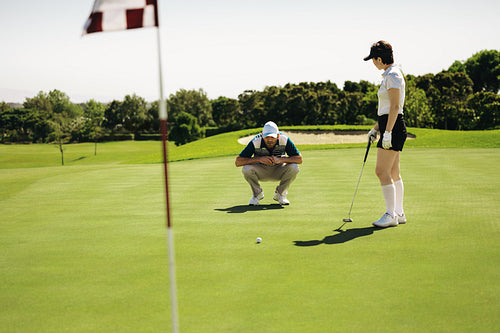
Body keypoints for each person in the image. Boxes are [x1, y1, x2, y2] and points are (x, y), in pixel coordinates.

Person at [364, 41, 408, 228]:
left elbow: (396, 108)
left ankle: (391, 215)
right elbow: (387, 109)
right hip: (389, 126)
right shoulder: (390, 75)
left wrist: (387, 132)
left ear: (379, 59)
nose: (373, 63)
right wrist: (377, 128)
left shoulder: (393, 76)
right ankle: (399, 212)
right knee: (393, 172)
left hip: (394, 127)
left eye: (373, 59)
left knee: (381, 171)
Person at [235, 121, 303, 206]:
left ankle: (280, 194)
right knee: (246, 169)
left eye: (272, 137)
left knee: (294, 167)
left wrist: (280, 160)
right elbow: (238, 162)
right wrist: (259, 159)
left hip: (279, 170)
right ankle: (257, 194)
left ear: (278, 136)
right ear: (262, 135)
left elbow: (299, 159)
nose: (269, 140)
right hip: (261, 171)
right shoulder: (256, 141)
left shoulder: (284, 139)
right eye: (267, 137)